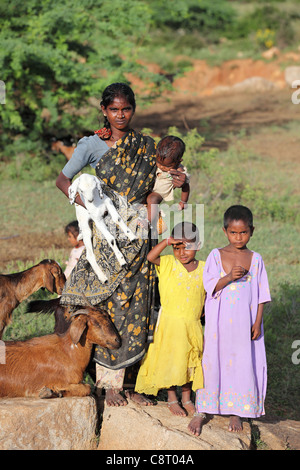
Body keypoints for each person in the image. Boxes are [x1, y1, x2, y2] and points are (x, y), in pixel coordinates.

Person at [56, 82, 187, 407]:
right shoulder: (91, 144)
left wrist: (183, 183)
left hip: (140, 240)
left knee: (139, 308)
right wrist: (95, 210)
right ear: (104, 110)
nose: (120, 115)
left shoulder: (146, 146)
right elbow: (63, 181)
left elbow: (162, 186)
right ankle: (108, 386)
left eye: (125, 109)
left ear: (133, 110)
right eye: (113, 109)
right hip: (105, 241)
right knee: (109, 307)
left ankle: (132, 384)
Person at [188, 205, 271, 436]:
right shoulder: (216, 255)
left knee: (243, 362)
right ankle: (202, 409)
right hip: (219, 325)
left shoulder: (256, 259)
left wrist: (257, 322)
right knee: (213, 361)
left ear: (252, 231)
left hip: (245, 324)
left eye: (243, 232)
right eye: (233, 233)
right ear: (225, 231)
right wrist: (228, 277)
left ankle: (238, 410)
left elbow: (262, 295)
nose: (238, 237)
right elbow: (210, 286)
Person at [135, 222, 205, 417]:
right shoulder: (167, 263)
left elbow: (209, 292)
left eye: (187, 247)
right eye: (177, 247)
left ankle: (187, 399)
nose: (182, 252)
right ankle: (172, 399)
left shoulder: (205, 268)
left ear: (198, 245)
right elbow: (150, 256)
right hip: (169, 325)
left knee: (189, 362)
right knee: (170, 361)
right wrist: (166, 241)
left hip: (191, 325)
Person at [146, 135, 190, 231]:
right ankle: (155, 215)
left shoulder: (179, 172)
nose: (162, 167)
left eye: (167, 166)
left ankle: (148, 222)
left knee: (152, 199)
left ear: (178, 161)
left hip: (159, 193)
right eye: (159, 163)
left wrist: (183, 201)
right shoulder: (155, 159)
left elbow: (186, 186)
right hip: (147, 187)